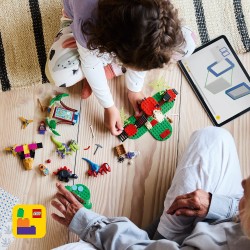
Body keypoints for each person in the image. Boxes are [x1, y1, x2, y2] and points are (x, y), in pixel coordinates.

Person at [51, 126, 250, 249]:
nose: (244, 183)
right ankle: (154, 240)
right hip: (216, 229)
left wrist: (89, 224)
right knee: (215, 138)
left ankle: (153, 241)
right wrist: (217, 204)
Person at [45, 0, 196, 135]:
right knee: (58, 75)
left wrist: (134, 89)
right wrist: (108, 106)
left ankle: (108, 68)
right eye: (134, 66)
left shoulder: (152, 12)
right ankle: (91, 50)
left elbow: (147, 39)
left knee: (189, 43)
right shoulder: (88, 21)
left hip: (122, 31)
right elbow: (90, 65)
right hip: (86, 24)